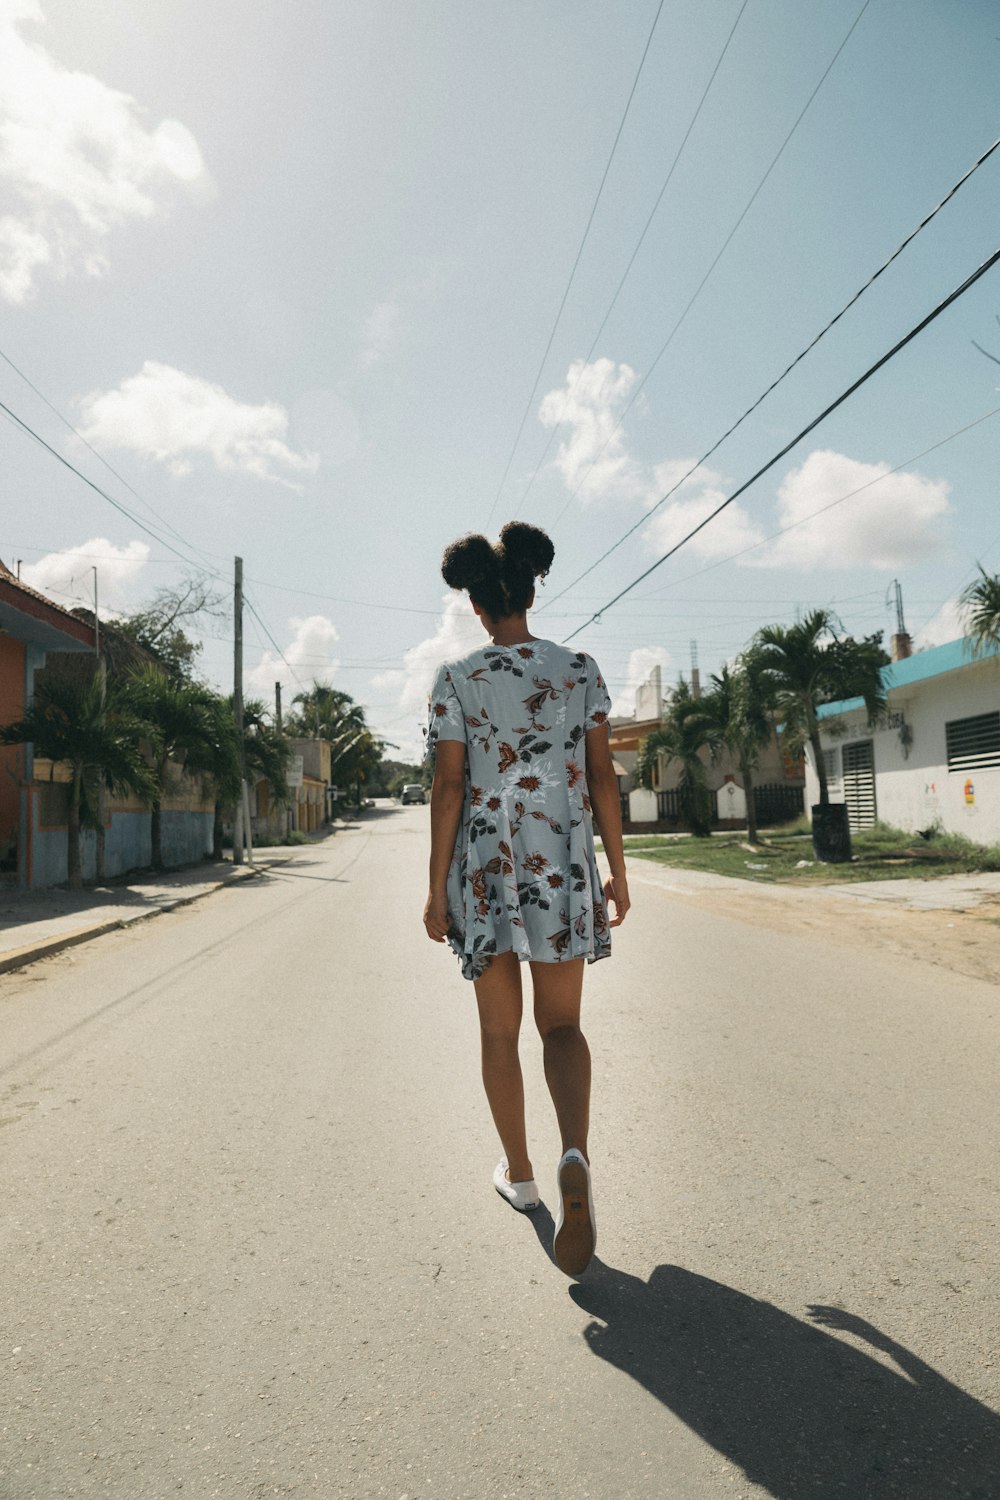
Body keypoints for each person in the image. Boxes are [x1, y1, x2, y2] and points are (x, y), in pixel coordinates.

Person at [422, 521, 629, 1277]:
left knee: (498, 1033)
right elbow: (604, 777)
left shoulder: (458, 677)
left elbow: (449, 785)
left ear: (476, 606)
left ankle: (523, 1174)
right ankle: (575, 1148)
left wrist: (435, 885)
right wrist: (619, 870)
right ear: (533, 592)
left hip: (486, 868)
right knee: (564, 1024)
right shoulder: (579, 669)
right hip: (564, 863)